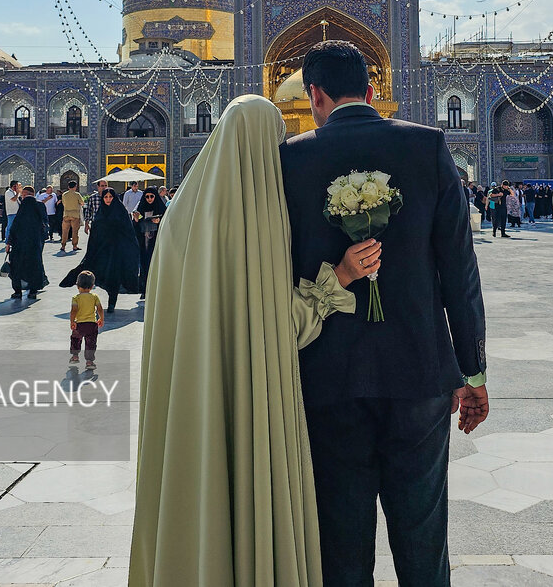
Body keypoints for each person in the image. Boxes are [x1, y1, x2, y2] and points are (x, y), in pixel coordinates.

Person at [129, 93, 379, 587]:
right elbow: (278, 327)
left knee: (194, 492)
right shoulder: (256, 222)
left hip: (189, 399)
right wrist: (342, 278)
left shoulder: (179, 219)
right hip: (251, 398)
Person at [278, 41, 486, 586]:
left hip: (328, 379)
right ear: (372, 91)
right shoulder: (427, 146)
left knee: (342, 545)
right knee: (422, 540)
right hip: (419, 373)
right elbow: (459, 271)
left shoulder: (290, 160)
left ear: (314, 95)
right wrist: (473, 370)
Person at [60, 187, 140, 313]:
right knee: (98, 272)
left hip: (117, 252)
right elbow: (95, 232)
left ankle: (112, 303)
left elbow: (129, 232)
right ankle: (87, 300)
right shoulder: (101, 212)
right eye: (106, 197)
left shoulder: (121, 212)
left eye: (110, 197)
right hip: (103, 250)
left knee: (114, 276)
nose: (108, 199)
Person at [5, 189, 48, 301]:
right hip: (34, 243)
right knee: (34, 266)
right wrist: (41, 239)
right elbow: (45, 224)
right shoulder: (39, 207)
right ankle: (33, 291)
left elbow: (14, 228)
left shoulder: (22, 210)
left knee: (17, 267)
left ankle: (18, 291)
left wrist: (9, 243)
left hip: (19, 245)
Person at [68, 270, 104, 369]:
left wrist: (72, 321)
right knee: (91, 343)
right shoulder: (94, 297)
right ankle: (89, 362)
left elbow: (73, 310)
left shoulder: (76, 298)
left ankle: (75, 356)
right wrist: (101, 318)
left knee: (75, 339)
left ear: (77, 286)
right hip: (92, 324)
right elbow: (99, 309)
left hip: (79, 324)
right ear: (92, 286)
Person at [135, 188, 166, 295]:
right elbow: (136, 223)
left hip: (157, 240)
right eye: (147, 196)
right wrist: (136, 219)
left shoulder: (160, 207)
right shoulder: (141, 206)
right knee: (144, 264)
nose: (149, 199)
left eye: (151, 196)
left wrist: (159, 221)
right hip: (144, 240)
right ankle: (145, 289)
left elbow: (167, 219)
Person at [59, 182, 85, 253]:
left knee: (64, 231)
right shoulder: (77, 194)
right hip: (75, 215)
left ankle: (63, 246)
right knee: (75, 231)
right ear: (75, 187)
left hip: (66, 214)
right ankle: (74, 246)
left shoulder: (64, 194)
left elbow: (63, 203)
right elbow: (82, 203)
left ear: (68, 187)